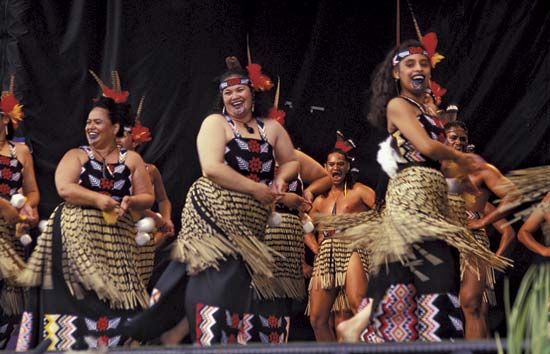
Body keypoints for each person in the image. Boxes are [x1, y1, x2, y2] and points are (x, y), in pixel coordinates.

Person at [316, 40, 508, 342]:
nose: (418, 68)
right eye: (409, 64)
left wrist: (466, 181)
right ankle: (433, 336)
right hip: (410, 195)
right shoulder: (399, 106)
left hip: (432, 198)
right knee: (433, 267)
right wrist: (465, 158)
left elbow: (440, 163)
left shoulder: (428, 112)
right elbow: (427, 147)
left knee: (408, 269)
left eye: (423, 63)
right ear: (396, 73)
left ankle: (363, 323)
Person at [163, 57, 298, 345]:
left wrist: (281, 179)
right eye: (227, 92)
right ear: (222, 98)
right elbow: (211, 167)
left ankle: (201, 335)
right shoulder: (216, 123)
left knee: (243, 287)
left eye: (240, 90)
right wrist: (255, 189)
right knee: (216, 279)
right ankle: (198, 336)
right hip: (216, 212)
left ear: (252, 92)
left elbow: (292, 162)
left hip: (252, 222)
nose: (234, 96)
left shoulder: (270, 128)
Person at [15, 72, 154, 351]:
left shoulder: (132, 160)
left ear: (115, 128)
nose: (90, 126)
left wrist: (130, 201)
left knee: (118, 304)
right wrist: (99, 200)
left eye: (97, 122)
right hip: (75, 237)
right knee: (75, 298)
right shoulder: (77, 156)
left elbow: (147, 196)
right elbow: (65, 188)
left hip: (116, 243)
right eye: (88, 122)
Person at [442, 120, 516, 339]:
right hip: (441, 242)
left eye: (462, 138)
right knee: (447, 306)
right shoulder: (434, 168)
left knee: (472, 305)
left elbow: (513, 197)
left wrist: (483, 222)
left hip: (473, 242)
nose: (458, 142)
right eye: (453, 137)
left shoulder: (478, 171)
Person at [306, 145, 375, 342]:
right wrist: (316, 249)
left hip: (352, 247)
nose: (336, 168)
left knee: (358, 306)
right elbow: (307, 229)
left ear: (347, 167)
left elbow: (382, 210)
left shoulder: (359, 191)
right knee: (317, 319)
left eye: (340, 164)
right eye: (332, 164)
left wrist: (367, 236)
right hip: (326, 254)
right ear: (325, 168)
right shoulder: (320, 201)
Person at [115, 97, 175, 290]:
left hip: (143, 239)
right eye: (113, 134)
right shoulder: (98, 171)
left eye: (122, 135)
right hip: (111, 237)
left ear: (136, 138)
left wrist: (166, 221)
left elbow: (163, 200)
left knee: (136, 289)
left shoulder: (149, 170)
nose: (117, 140)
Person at [0, 79, 40, 349]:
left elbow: (33, 192)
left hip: (12, 231)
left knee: (12, 296)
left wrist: (27, 206)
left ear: (6, 120)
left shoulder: (21, 151)